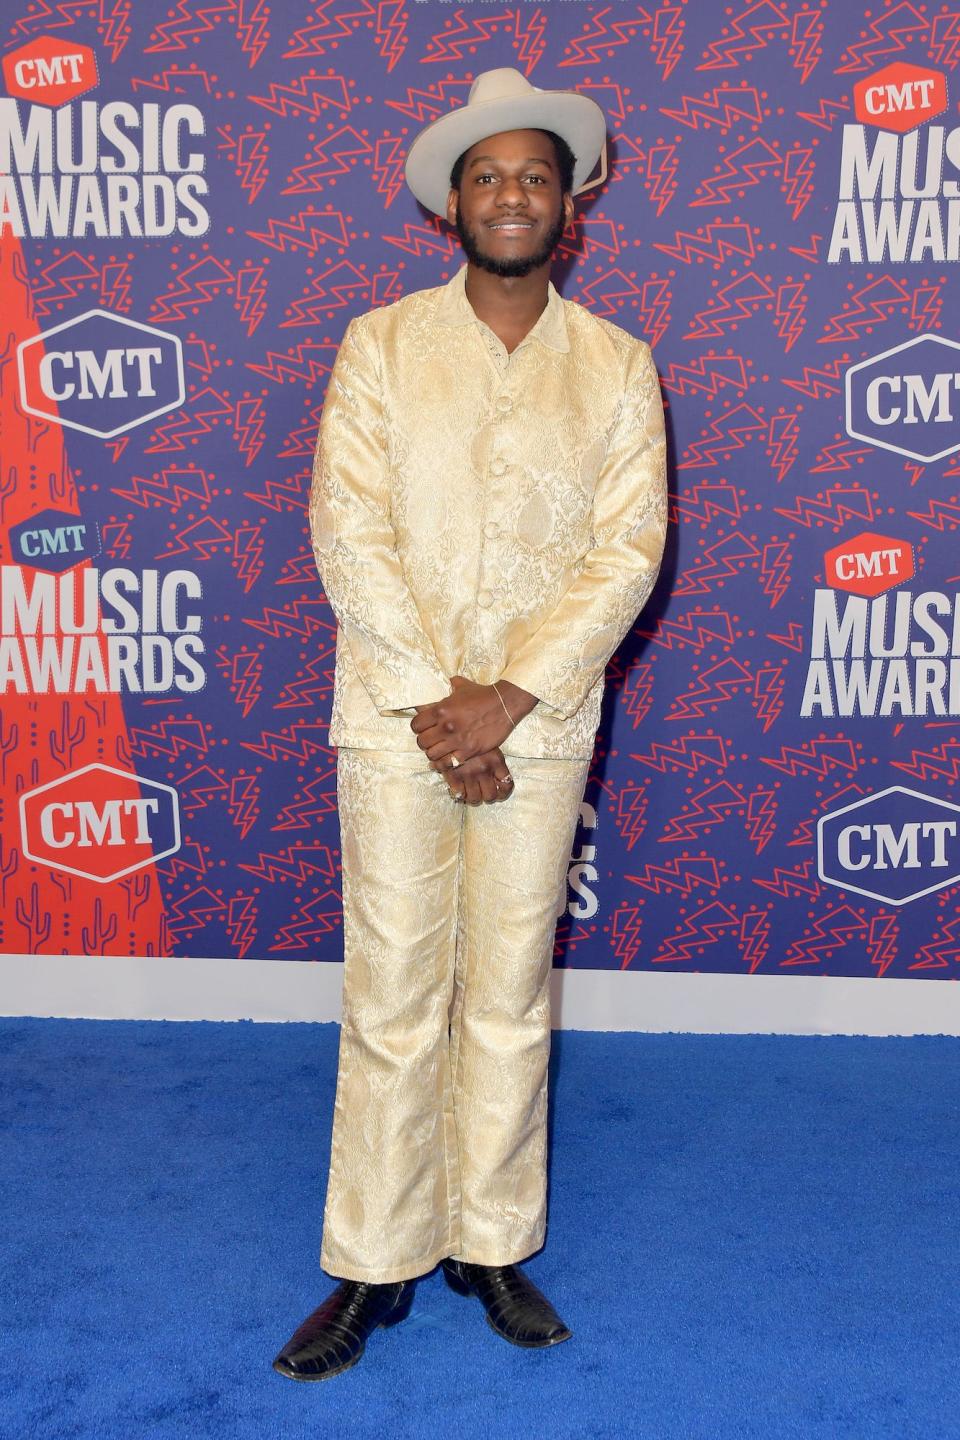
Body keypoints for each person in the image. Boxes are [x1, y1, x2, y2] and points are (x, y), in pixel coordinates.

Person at [273, 66, 667, 1382]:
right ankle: (372, 1265)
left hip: (541, 729)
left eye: (536, 176)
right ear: (455, 205)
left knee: (506, 992)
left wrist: (513, 696)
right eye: (489, 175)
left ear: (571, 208)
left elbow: (629, 550)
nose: (513, 194)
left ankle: (488, 1243)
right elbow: (348, 527)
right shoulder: (379, 344)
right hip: (394, 724)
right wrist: (438, 703)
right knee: (393, 994)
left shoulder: (616, 366)